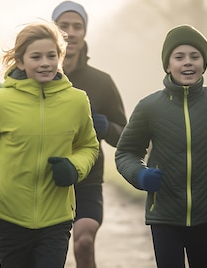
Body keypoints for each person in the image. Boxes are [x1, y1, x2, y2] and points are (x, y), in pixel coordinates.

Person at [0, 21, 100, 268]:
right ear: (21, 61)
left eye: (51, 55)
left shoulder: (77, 101)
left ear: (60, 57)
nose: (45, 62)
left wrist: (74, 167)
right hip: (8, 218)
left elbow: (89, 146)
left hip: (56, 219)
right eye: (36, 56)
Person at [114, 24, 207, 268]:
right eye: (179, 57)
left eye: (194, 56)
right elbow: (126, 152)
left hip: (206, 213)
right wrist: (141, 175)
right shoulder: (149, 107)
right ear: (168, 65)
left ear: (204, 63)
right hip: (164, 213)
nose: (187, 62)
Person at [51, 2, 127, 267]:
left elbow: (126, 138)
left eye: (77, 26)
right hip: (45, 180)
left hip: (87, 180)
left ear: (85, 32)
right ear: (52, 30)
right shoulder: (37, 76)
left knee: (84, 243)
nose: (70, 33)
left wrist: (105, 127)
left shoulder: (101, 82)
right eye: (63, 26)